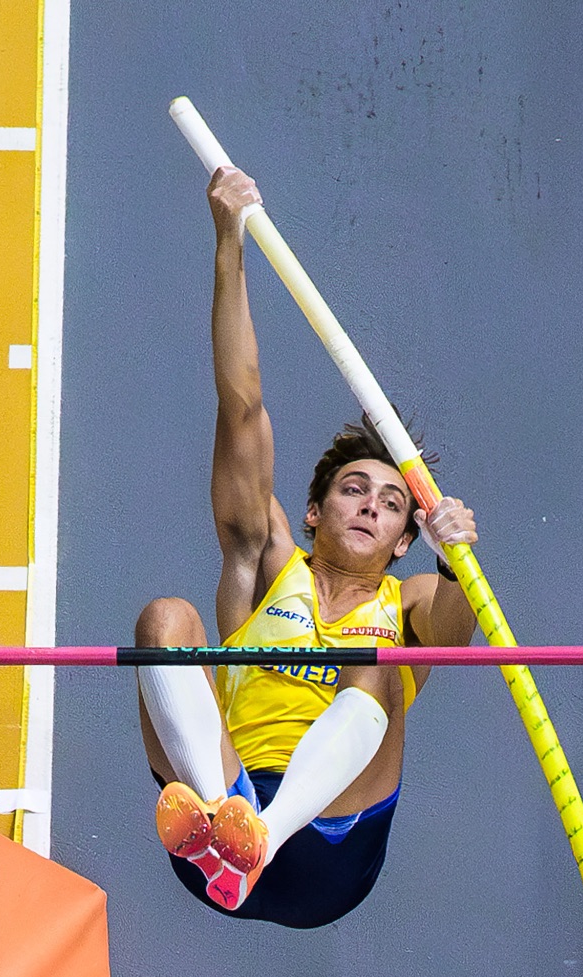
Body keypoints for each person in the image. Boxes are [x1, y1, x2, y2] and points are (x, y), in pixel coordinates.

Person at [134, 163, 481, 928]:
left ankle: (259, 836)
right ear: (315, 512)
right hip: (218, 814)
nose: (371, 505)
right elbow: (242, 403)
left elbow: (456, 631)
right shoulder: (265, 565)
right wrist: (229, 242)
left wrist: (454, 557)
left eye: (392, 503)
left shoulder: (411, 601)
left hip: (332, 846)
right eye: (354, 489)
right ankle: (228, 828)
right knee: (164, 619)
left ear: (404, 539)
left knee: (378, 663)